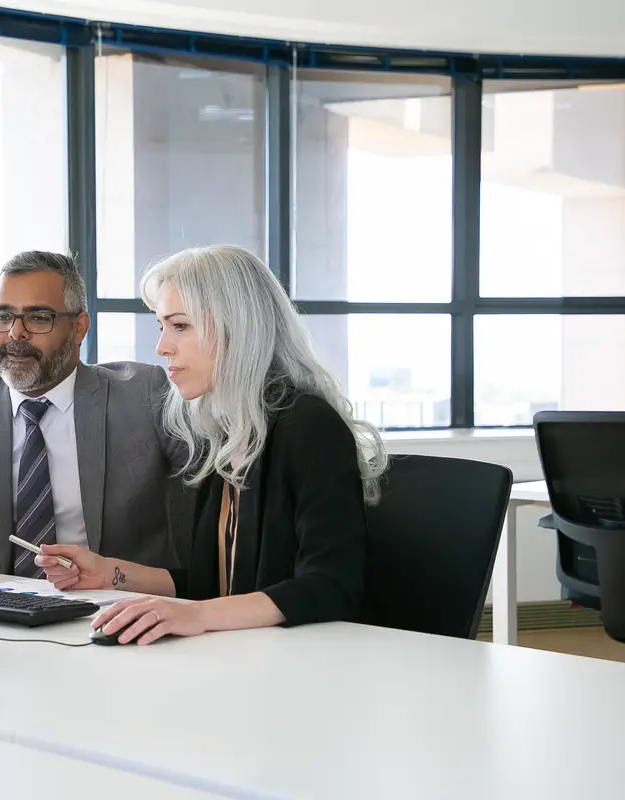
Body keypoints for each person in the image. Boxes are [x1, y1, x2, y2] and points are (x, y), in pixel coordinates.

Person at [34, 244, 388, 644]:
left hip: (311, 668)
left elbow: (329, 586)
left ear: (238, 327)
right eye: (161, 327)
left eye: (180, 326)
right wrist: (107, 572)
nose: (162, 347)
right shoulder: (227, 432)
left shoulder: (309, 426)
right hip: (246, 659)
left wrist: (196, 616)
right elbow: (211, 586)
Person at [0, 250, 187, 582]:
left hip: (122, 611)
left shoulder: (143, 394)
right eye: (4, 317)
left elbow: (216, 500)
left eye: (38, 317)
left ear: (79, 328)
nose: (16, 333)